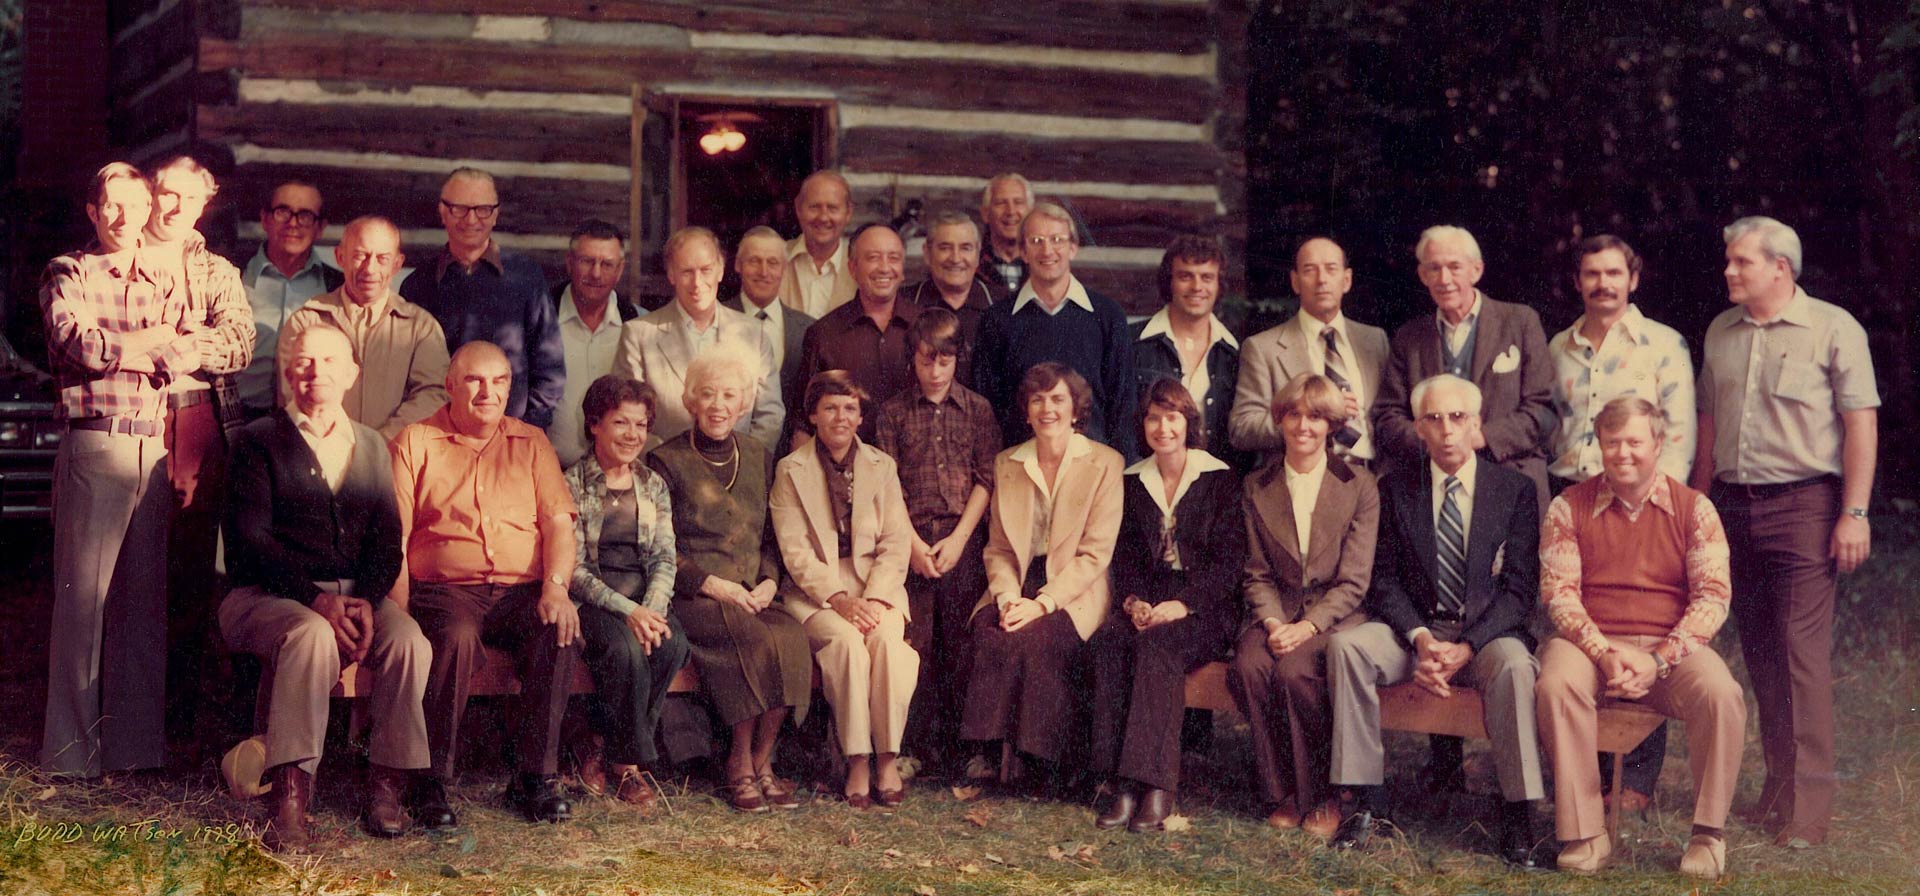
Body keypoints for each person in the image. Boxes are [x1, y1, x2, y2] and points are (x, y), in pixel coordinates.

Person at [1693, 215, 1878, 848]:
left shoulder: (1833, 328)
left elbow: (1860, 425)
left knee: (1802, 655)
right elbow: (1708, 422)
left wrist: (1854, 512)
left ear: (1780, 267)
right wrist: (1698, 504)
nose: (1728, 270)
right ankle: (1778, 789)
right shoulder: (1720, 331)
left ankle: (1809, 812)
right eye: (1728, 260)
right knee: (1763, 653)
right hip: (1732, 507)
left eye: (1741, 261)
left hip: (1805, 506)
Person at [219, 325, 431, 850]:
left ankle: (387, 786)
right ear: (288, 372)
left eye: (331, 362)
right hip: (265, 597)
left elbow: (387, 541)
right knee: (311, 635)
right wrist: (317, 599)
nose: (317, 373)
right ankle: (289, 796)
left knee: (410, 642)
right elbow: (251, 541)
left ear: (352, 374)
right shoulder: (256, 440)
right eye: (305, 361)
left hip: (354, 598)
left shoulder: (372, 445)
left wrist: (366, 601)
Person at [1326, 374, 1548, 868]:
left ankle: (1518, 814)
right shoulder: (1395, 488)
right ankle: (1366, 803)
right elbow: (1383, 581)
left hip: (1485, 636)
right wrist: (1422, 639)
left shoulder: (1514, 490)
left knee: (1516, 666)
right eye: (1434, 419)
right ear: (1419, 429)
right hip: (1416, 633)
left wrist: (1466, 646)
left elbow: (1519, 592)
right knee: (1347, 648)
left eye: (1458, 417)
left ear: (1476, 423)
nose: (1447, 430)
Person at [1536, 397, 1744, 877]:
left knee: (1722, 693)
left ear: (1658, 443)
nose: (1623, 453)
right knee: (1555, 683)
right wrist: (1603, 653)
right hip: (1591, 643)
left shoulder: (1695, 509)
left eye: (1634, 441)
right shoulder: (1568, 506)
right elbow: (1559, 595)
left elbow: (1713, 597)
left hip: (1668, 646)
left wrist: (1659, 659)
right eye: (1612, 442)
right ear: (1599, 445)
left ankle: (1707, 836)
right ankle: (1585, 831)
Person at [40, 162, 193, 777]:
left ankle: (133, 751)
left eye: (136, 205)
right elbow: (77, 343)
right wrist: (149, 344)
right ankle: (71, 754)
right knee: (83, 603)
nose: (126, 218)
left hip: (151, 449)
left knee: (141, 603)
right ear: (93, 211)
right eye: (112, 205)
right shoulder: (68, 271)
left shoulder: (163, 276)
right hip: (96, 446)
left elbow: (187, 349)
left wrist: (139, 348)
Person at [389, 342, 582, 826]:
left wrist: (556, 587)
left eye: (499, 381)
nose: (487, 392)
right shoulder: (416, 441)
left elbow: (559, 524)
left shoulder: (531, 443)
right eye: (474, 380)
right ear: (450, 385)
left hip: (522, 590)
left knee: (558, 631)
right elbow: (396, 536)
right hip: (447, 590)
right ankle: (428, 781)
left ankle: (535, 778)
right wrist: (399, 611)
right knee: (454, 638)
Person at [1545, 234, 1695, 813]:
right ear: (1577, 281)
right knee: (1581, 628)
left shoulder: (1663, 344)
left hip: (1641, 501)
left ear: (1633, 279)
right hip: (1572, 500)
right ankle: (1580, 767)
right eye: (1591, 273)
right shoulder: (1559, 347)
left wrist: (1661, 508)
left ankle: (1635, 777)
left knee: (1643, 620)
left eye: (1614, 273)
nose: (1602, 283)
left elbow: (1677, 434)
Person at [646, 342, 813, 813]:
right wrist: (712, 585)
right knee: (751, 638)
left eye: (729, 395)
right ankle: (738, 762)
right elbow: (660, 547)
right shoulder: (665, 461)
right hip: (696, 595)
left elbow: (771, 538)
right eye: (708, 393)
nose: (718, 405)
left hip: (753, 593)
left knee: (790, 637)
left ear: (743, 404)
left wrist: (769, 582)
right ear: (691, 400)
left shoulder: (759, 455)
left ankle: (763, 760)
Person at [1088, 378, 1247, 832]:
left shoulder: (1219, 478)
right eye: (1153, 418)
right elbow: (1125, 556)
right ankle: (1119, 785)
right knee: (1110, 642)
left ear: (1188, 422)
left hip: (1206, 607)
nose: (1163, 428)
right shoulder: (1133, 480)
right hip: (1150, 599)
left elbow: (1229, 563)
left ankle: (1155, 786)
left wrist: (1184, 604)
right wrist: (1134, 602)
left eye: (1172, 417)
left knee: (1157, 648)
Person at [1227, 373, 1378, 837]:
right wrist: (1274, 622)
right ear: (1280, 420)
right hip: (1277, 610)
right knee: (1250, 665)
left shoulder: (1360, 485)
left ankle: (1323, 795)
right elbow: (1256, 571)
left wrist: (1309, 627)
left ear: (1331, 424)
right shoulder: (1257, 484)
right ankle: (1283, 792)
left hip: (1334, 614)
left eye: (1315, 416)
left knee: (1296, 671)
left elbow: (1354, 581)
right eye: (1293, 414)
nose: (1303, 426)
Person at [960, 362, 1125, 786]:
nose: (1047, 409)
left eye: (1057, 399)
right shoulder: (1007, 463)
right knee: (991, 630)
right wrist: (1007, 599)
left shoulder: (1106, 463)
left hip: (1076, 585)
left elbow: (1095, 554)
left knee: (1039, 638)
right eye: (1037, 400)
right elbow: (998, 548)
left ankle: (1039, 763)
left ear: (1075, 409)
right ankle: (990, 753)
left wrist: (1042, 604)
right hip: (1018, 578)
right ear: (1027, 410)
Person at [143, 155, 257, 751]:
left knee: (187, 565)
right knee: (127, 558)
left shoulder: (216, 270)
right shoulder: (118, 255)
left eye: (188, 197)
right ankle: (120, 706)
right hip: (130, 413)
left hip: (193, 418)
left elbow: (240, 340)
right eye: (166, 192)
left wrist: (189, 347)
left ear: (204, 203)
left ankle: (175, 717)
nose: (174, 206)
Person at [770, 371, 920, 809]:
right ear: (813, 416)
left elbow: (896, 541)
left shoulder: (881, 466)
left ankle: (887, 759)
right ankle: (857, 760)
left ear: (860, 417)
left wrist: (874, 598)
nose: (841, 417)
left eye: (850, 408)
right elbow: (795, 551)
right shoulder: (790, 470)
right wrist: (839, 600)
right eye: (830, 408)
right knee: (848, 644)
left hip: (877, 586)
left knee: (888, 643)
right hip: (816, 593)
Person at [875, 309, 1000, 773]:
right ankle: (913, 747)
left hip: (963, 538)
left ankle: (966, 750)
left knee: (964, 641)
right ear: (913, 359)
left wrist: (961, 538)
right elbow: (886, 484)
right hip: (910, 539)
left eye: (944, 361)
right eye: (926, 360)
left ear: (957, 359)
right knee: (917, 642)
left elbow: (987, 478)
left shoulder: (978, 410)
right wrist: (911, 544)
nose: (935, 371)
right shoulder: (892, 412)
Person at [563, 375, 692, 809]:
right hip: (595, 601)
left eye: (640, 424)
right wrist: (629, 612)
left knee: (672, 644)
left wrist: (651, 610)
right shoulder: (572, 482)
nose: (633, 434)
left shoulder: (652, 484)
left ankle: (600, 743)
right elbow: (574, 570)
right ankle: (628, 768)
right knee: (623, 649)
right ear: (594, 424)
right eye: (621, 422)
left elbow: (665, 557)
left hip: (643, 600)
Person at [1373, 225, 1555, 511]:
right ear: (1422, 275)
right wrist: (1436, 442)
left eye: (1454, 267)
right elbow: (1387, 416)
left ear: (1476, 270)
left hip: (1510, 477)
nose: (1444, 279)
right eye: (1434, 268)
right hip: (1430, 485)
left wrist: (1480, 438)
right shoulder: (1409, 337)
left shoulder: (1520, 323)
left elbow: (1543, 410)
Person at [399, 166, 565, 428]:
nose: (471, 219)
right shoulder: (417, 286)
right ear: (443, 211)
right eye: (459, 208)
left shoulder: (526, 277)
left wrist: (525, 430)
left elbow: (550, 367)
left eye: (483, 209)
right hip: (437, 436)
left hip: (509, 435)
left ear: (495, 214)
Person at [971, 203, 1136, 455]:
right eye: (1036, 241)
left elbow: (1123, 404)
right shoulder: (997, 320)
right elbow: (986, 407)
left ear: (1073, 247)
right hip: (1020, 465)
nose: (1047, 250)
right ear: (1023, 252)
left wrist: (1118, 468)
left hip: (1092, 464)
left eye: (1057, 240)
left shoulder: (1107, 316)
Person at [278, 216, 449, 437]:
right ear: (340, 257)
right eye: (360, 256)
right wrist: (337, 443)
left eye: (382, 258)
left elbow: (432, 393)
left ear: (397, 264)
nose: (370, 269)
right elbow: (290, 393)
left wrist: (379, 444)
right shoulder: (307, 321)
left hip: (392, 452)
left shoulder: (420, 327)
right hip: (321, 448)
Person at [613, 226, 784, 447]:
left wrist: (745, 461)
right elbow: (627, 416)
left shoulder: (754, 333)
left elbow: (770, 415)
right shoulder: (638, 334)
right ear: (671, 275)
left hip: (739, 464)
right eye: (687, 272)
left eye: (706, 270)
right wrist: (666, 461)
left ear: (720, 271)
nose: (697, 283)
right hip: (664, 465)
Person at [1231, 236, 1388, 471]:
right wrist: (1313, 412)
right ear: (1295, 282)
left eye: (1331, 269)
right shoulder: (1263, 348)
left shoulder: (1375, 341)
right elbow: (1242, 428)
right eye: (1309, 270)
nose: (1321, 279)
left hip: (1371, 478)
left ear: (1346, 280)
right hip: (1299, 482)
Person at [793, 224, 920, 444]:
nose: (884, 268)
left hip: (915, 462)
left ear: (902, 269)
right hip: (844, 462)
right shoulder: (824, 334)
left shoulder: (925, 326)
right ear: (852, 268)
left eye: (893, 258)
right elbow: (803, 422)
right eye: (873, 258)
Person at [1130, 235, 1242, 466]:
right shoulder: (1132, 343)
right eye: (1185, 276)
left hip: (1217, 482)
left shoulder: (1234, 353)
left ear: (1219, 284)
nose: (1197, 287)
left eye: (1207, 277)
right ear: (1169, 282)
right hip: (1146, 477)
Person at [240, 178, 340, 419]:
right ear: (265, 219)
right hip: (236, 418)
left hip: (306, 420)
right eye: (282, 212)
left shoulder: (337, 286)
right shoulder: (233, 274)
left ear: (320, 227)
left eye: (305, 215)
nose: (293, 224)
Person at [548, 220, 638, 467]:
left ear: (620, 270)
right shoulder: (540, 318)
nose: (596, 273)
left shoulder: (636, 324)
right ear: (569, 262)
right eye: (587, 261)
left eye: (607, 264)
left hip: (617, 475)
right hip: (549, 472)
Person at [724, 225, 815, 429]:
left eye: (773, 263)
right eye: (754, 261)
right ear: (738, 265)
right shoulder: (715, 321)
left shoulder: (808, 329)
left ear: (784, 268)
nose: (763, 272)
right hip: (730, 443)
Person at [902, 208, 996, 387]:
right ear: (927, 253)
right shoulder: (904, 303)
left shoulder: (1002, 305)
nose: (955, 258)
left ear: (978, 255)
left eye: (965, 248)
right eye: (945, 248)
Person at [778, 170, 857, 317]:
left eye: (832, 208)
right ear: (798, 208)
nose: (823, 218)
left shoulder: (860, 266)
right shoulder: (775, 258)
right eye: (814, 207)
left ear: (848, 213)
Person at [978, 174, 1033, 296]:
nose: (1011, 211)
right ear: (985, 213)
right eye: (1001, 203)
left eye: (1018, 202)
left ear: (1031, 212)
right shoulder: (971, 267)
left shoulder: (1043, 265)